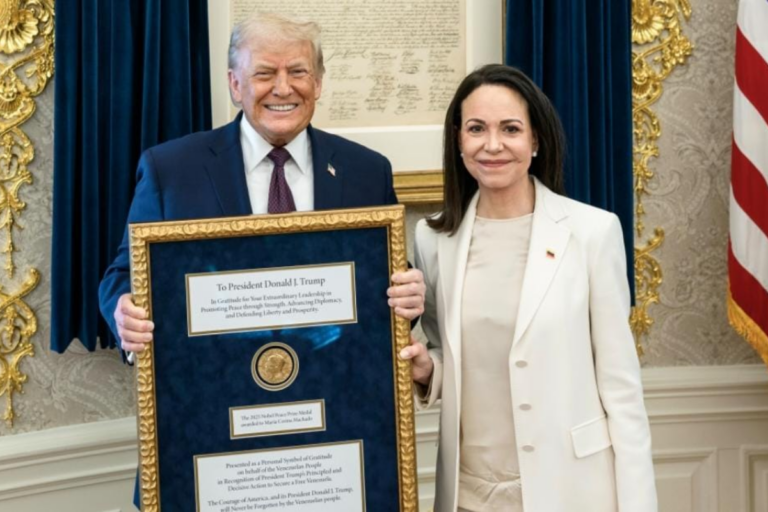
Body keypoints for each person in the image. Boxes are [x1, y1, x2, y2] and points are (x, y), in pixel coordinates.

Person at [399, 64, 657, 512]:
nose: (492, 145)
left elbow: (621, 387)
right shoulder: (432, 238)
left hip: (572, 489)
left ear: (535, 140)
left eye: (510, 129)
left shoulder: (592, 232)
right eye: (476, 128)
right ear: (458, 140)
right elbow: (452, 355)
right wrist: (426, 369)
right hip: (467, 493)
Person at [98, 12, 425, 358]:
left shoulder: (367, 171)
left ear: (318, 83)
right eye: (265, 73)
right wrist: (124, 311)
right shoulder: (171, 171)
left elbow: (387, 279)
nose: (283, 88)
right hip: (213, 385)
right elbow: (124, 274)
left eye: (298, 72)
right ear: (236, 85)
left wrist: (410, 296)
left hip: (335, 383)